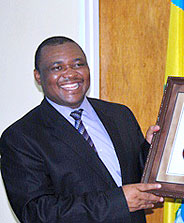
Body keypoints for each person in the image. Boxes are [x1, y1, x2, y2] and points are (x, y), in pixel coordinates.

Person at [0, 36, 164, 223]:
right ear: (38, 76)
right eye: (57, 67)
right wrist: (118, 202)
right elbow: (37, 213)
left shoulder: (120, 115)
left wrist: (152, 150)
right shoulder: (21, 137)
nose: (70, 74)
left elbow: (136, 176)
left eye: (78, 64)